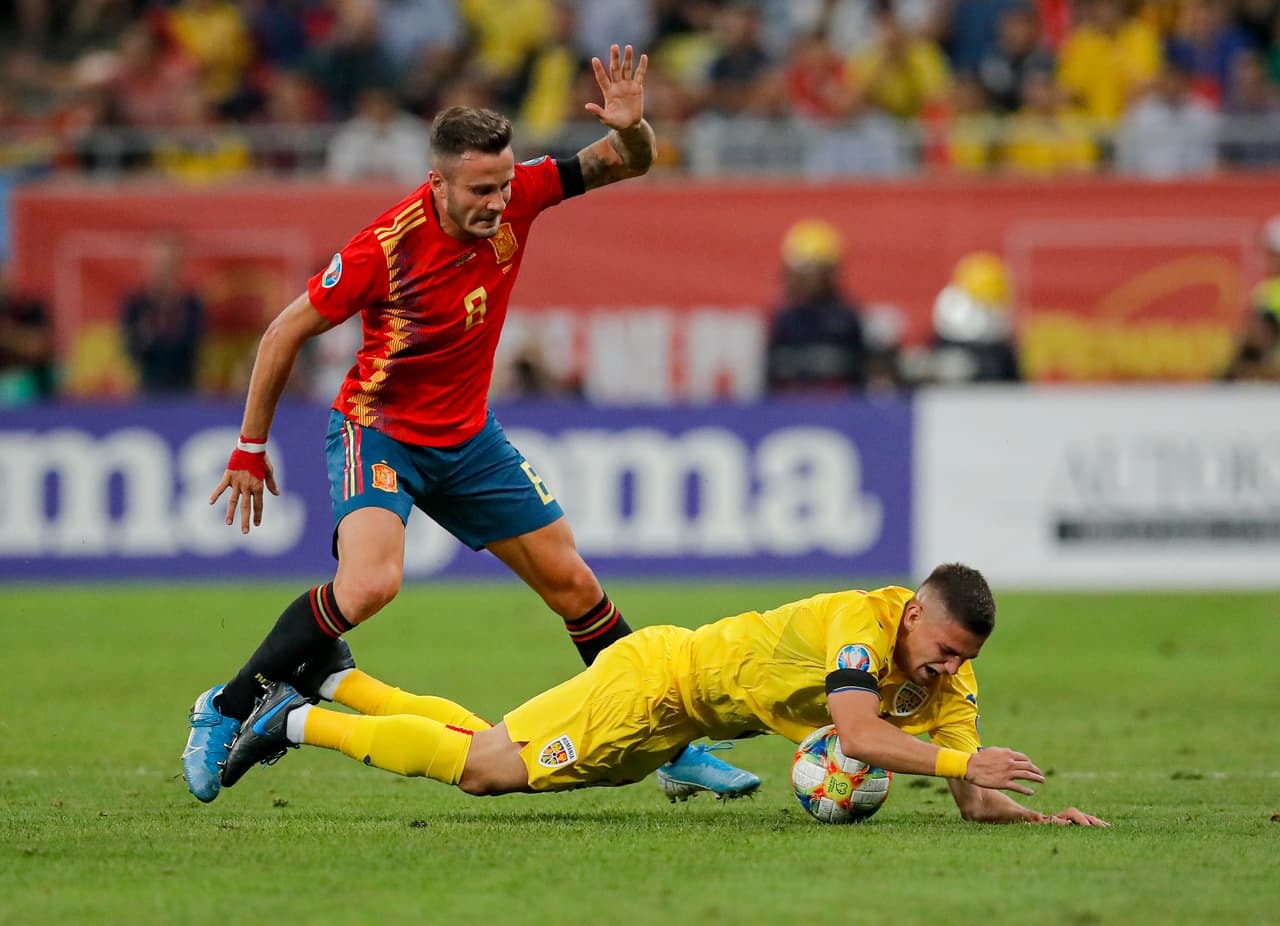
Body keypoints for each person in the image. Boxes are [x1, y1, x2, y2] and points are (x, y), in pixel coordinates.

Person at [183, 44, 759, 805]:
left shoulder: (522, 192)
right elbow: (282, 333)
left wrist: (636, 126)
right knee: (371, 584)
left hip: (468, 438)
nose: (497, 203)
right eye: (480, 190)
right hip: (379, 429)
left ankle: (665, 743)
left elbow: (630, 160)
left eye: (502, 184)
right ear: (438, 183)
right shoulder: (382, 251)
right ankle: (222, 710)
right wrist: (249, 449)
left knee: (574, 583)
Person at [218, 563, 1110, 827]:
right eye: (942, 650)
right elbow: (859, 735)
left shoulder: (944, 682)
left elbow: (970, 796)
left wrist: (1032, 818)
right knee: (487, 771)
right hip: (656, 687)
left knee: (495, 743)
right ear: (914, 614)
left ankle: (337, 678)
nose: (946, 671)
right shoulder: (859, 621)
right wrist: (961, 757)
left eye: (963, 661)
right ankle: (295, 719)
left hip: (673, 717)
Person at [764, 218, 868, 394]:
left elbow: (861, 380)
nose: (803, 278)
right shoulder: (782, 320)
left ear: (829, 272)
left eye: (809, 270)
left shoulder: (847, 319)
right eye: (798, 270)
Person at [120, 233, 205, 394]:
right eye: (160, 264)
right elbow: (130, 348)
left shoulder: (192, 304)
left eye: (170, 264)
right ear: (149, 264)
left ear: (180, 266)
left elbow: (194, 347)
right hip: (147, 387)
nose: (164, 271)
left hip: (185, 388)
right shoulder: (135, 304)